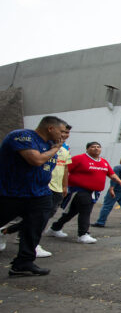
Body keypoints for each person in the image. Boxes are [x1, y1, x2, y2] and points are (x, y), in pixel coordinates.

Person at [0, 116, 68, 276]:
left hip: (39, 194)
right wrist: (57, 148)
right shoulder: (22, 136)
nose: (63, 135)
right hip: (11, 193)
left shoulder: (49, 145)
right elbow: (36, 160)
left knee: (35, 227)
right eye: (61, 131)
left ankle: (24, 262)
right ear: (50, 128)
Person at [47, 142, 121, 244]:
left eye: (98, 147)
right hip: (79, 190)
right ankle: (83, 234)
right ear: (87, 149)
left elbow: (111, 174)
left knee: (71, 212)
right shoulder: (79, 158)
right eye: (93, 147)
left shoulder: (103, 162)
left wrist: (120, 182)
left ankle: (54, 228)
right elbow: (65, 170)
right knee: (86, 211)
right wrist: (64, 186)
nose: (96, 149)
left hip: (93, 192)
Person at [93, 154, 121, 228]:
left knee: (107, 205)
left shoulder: (118, 168)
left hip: (117, 189)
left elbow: (114, 178)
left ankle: (101, 222)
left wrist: (111, 188)